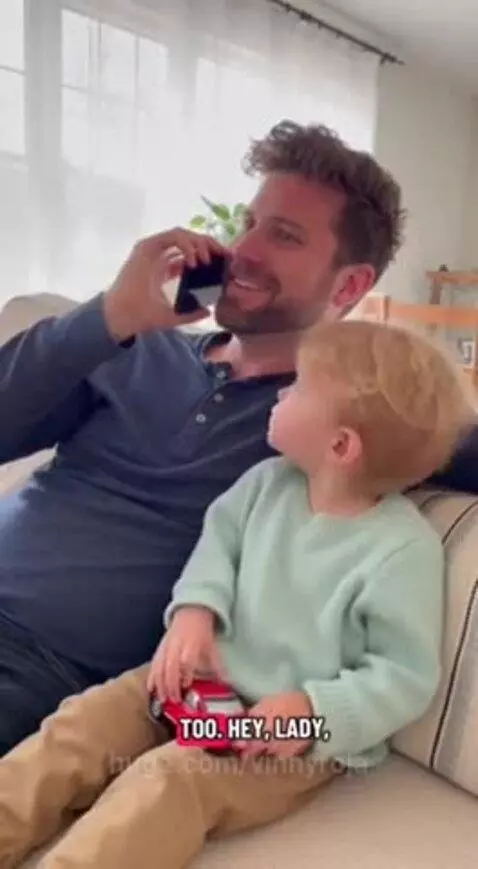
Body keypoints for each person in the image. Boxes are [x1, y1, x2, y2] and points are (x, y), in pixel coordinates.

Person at [0, 120, 477, 756]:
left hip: (42, 672)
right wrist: (107, 315)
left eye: (283, 235)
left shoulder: (343, 423)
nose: (243, 250)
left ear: (351, 286)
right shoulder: (137, 346)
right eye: (248, 224)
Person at [0, 317, 473, 869]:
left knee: (169, 782)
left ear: (341, 445)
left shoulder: (401, 551)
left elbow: (402, 676)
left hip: (287, 736)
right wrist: (195, 613)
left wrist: (312, 711)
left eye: (296, 388)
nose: (280, 394)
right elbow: (214, 555)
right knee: (78, 729)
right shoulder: (266, 484)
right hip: (194, 683)